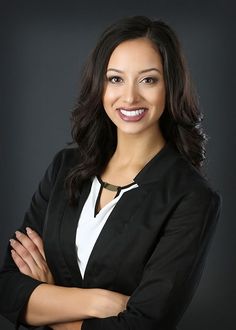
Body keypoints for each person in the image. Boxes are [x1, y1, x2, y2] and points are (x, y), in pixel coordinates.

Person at [0, 15, 221, 330]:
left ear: (171, 86)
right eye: (116, 78)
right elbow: (8, 289)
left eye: (148, 79)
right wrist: (99, 302)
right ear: (99, 85)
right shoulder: (64, 167)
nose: (129, 97)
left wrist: (49, 303)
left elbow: (143, 324)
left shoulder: (192, 197)